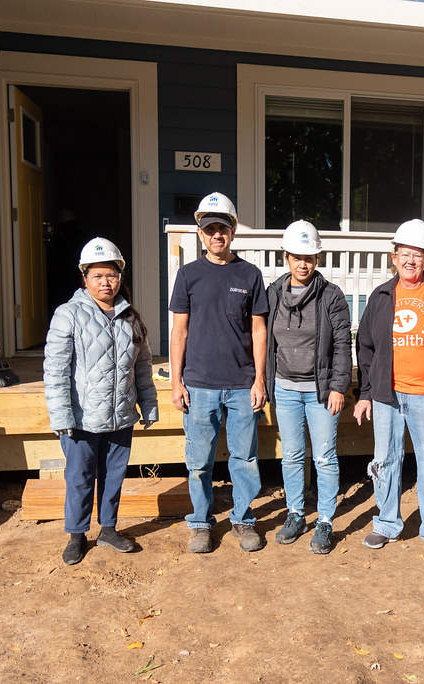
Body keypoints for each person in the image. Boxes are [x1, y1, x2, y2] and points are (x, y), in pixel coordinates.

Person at [352, 219, 424, 561]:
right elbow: (365, 347)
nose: (410, 260)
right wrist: (365, 393)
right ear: (394, 257)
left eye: (418, 254)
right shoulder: (381, 296)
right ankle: (387, 523)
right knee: (385, 461)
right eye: (405, 254)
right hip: (387, 396)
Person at [44, 237, 158, 566]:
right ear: (85, 278)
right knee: (79, 478)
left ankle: (108, 530)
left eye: (112, 275)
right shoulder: (68, 315)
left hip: (121, 415)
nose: (106, 282)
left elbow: (143, 365)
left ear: (120, 277)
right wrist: (61, 416)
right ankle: (76, 535)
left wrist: (148, 405)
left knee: (113, 476)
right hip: (82, 419)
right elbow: (55, 370)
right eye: (97, 276)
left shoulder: (130, 316)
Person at [169, 192, 269, 554]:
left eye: (222, 229)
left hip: (242, 384)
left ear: (233, 231)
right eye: (209, 229)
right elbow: (179, 331)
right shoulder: (188, 275)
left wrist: (259, 379)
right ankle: (200, 523)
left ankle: (243, 519)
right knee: (199, 462)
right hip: (199, 385)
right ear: (200, 233)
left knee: (245, 459)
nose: (216, 235)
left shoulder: (249, 274)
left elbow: (258, 330)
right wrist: (176, 382)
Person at [266, 221, 353, 555]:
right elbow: (262, 338)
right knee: (291, 456)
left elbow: (343, 344)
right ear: (286, 257)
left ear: (317, 259)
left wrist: (339, 387)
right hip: (285, 389)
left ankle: (325, 520)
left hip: (321, 391)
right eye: (297, 257)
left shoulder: (331, 296)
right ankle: (296, 514)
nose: (303, 264)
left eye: (309, 257)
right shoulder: (273, 293)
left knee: (324, 457)